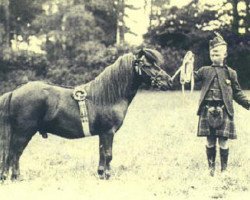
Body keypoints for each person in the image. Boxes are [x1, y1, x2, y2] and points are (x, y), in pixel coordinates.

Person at [193, 32, 250, 176]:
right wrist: (187, 67)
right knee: (210, 140)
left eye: (217, 54)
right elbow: (191, 78)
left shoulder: (231, 73)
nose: (214, 56)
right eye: (212, 54)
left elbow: (237, 93)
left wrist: (248, 103)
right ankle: (211, 170)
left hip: (224, 111)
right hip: (207, 110)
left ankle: (224, 171)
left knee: (223, 141)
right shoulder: (204, 71)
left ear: (225, 54)